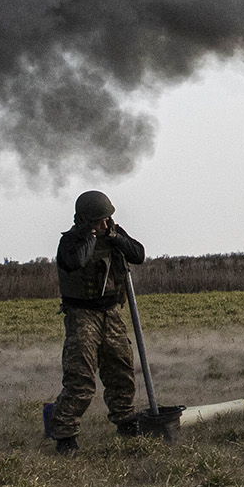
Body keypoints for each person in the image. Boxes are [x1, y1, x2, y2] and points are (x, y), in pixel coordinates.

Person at [49, 190, 147, 452]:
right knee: (80, 378)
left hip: (111, 312)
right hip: (82, 315)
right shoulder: (71, 242)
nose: (105, 225)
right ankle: (65, 434)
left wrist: (115, 237)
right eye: (98, 221)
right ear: (84, 221)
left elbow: (138, 254)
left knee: (121, 369)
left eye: (107, 220)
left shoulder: (114, 233)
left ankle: (126, 421)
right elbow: (77, 261)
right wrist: (91, 236)